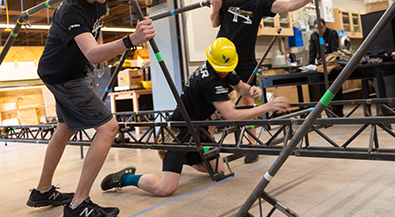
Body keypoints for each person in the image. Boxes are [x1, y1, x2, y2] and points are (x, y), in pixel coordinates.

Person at [26, 0, 156, 217]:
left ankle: (42, 191)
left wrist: (93, 64)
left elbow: (92, 45)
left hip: (70, 71)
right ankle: (78, 205)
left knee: (65, 128)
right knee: (108, 128)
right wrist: (131, 40)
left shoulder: (98, 0)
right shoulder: (71, 10)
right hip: (63, 76)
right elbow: (93, 53)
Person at [100, 38, 289, 196]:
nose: (224, 71)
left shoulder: (220, 67)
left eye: (226, 68)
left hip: (197, 131)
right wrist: (267, 106)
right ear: (212, 60)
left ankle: (183, 159)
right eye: (221, 68)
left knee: (218, 170)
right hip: (179, 133)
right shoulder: (209, 81)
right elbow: (231, 115)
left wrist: (251, 90)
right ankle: (124, 177)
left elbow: (240, 86)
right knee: (165, 188)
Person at [210, 0, 318, 163]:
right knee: (211, 101)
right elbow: (215, 23)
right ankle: (208, 147)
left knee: (247, 100)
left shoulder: (260, 1)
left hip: (244, 59)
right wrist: (216, 7)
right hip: (220, 56)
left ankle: (251, 144)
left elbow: (286, 6)